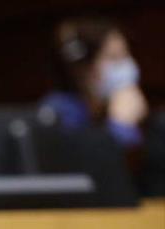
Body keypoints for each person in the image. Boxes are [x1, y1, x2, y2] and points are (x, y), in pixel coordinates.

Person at [41, 17, 147, 149]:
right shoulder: (58, 113)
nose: (126, 65)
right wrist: (121, 125)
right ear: (84, 68)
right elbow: (90, 163)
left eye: (126, 55)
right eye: (113, 57)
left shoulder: (106, 108)